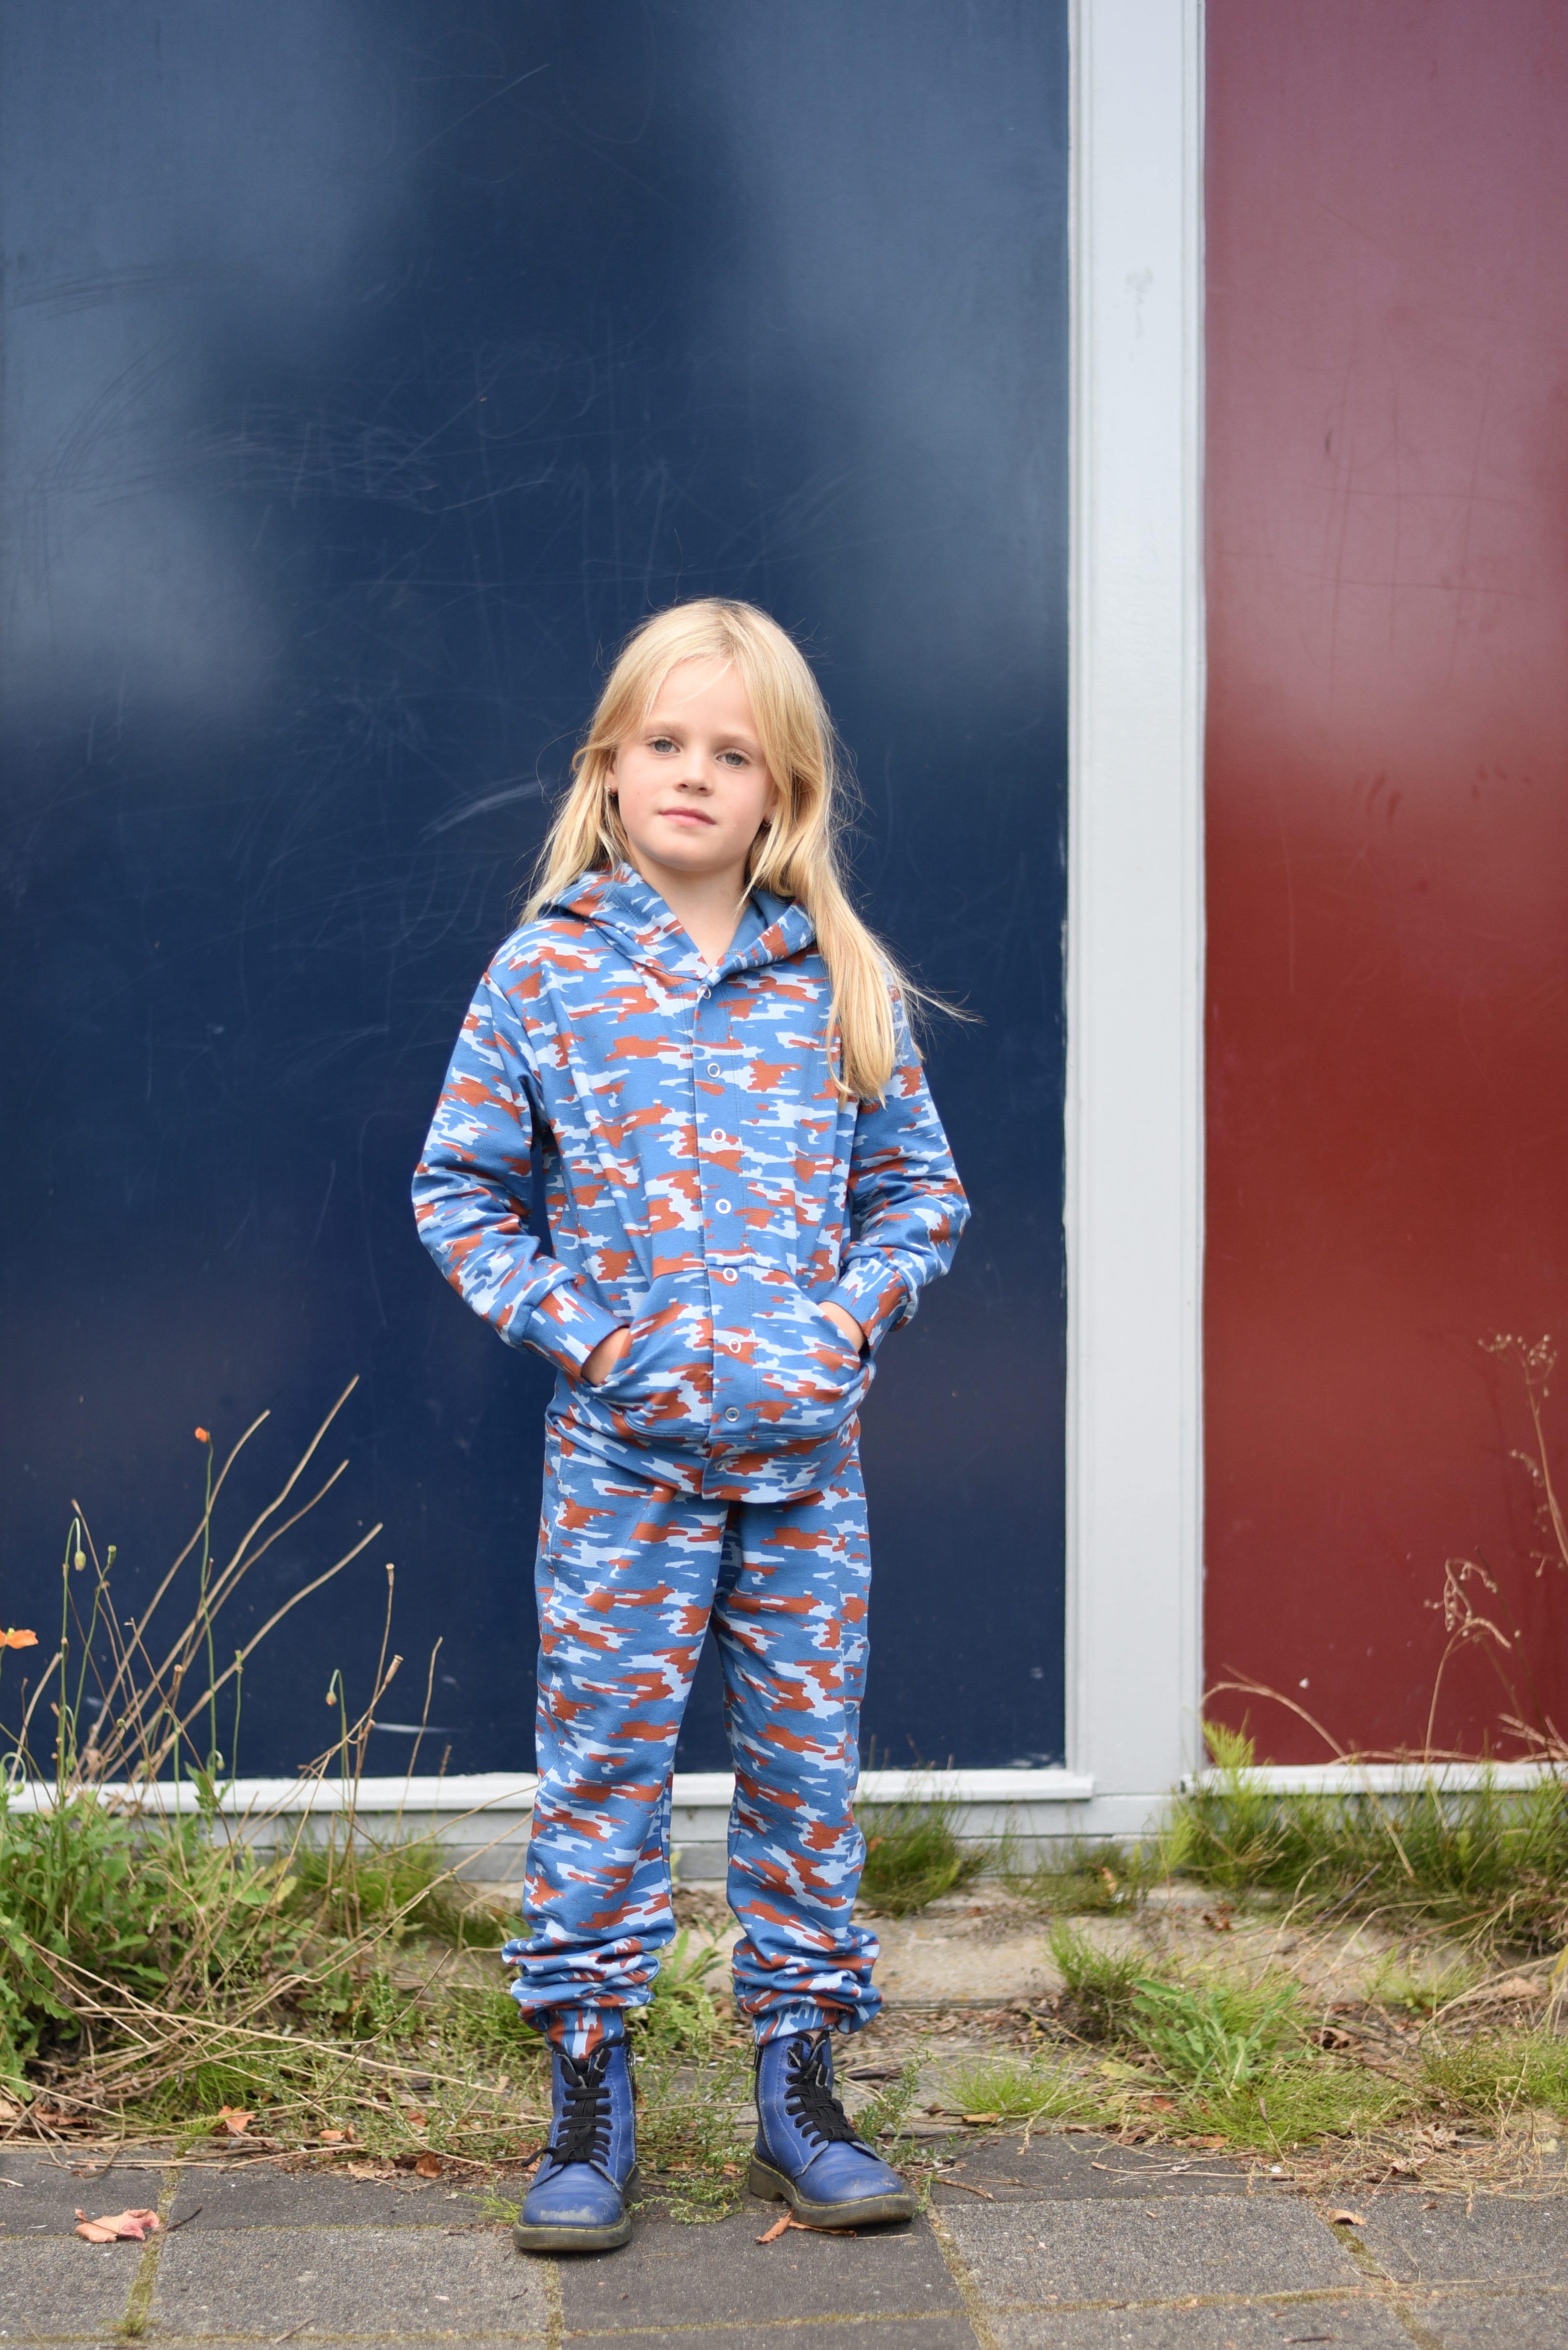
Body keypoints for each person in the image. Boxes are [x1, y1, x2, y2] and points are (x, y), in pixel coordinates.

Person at [413, 598, 969, 2253]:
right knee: (602, 1772)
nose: (694, 773)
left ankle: (801, 2091)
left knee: (805, 1774)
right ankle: (588, 2096)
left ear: (781, 791)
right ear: (609, 764)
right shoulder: (547, 974)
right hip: (622, 1473)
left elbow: (919, 1196)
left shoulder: (838, 978)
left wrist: (842, 1322)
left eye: (734, 752)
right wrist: (594, 1339)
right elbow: (459, 1192)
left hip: (804, 1479)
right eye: (665, 741)